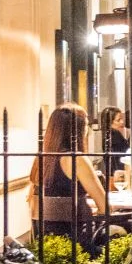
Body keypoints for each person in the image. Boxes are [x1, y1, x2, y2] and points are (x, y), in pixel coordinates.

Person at [28, 103, 108, 245]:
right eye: (86, 125)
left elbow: (33, 201)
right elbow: (105, 207)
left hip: (45, 241)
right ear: (79, 129)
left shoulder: (40, 159)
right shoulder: (76, 160)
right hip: (76, 240)